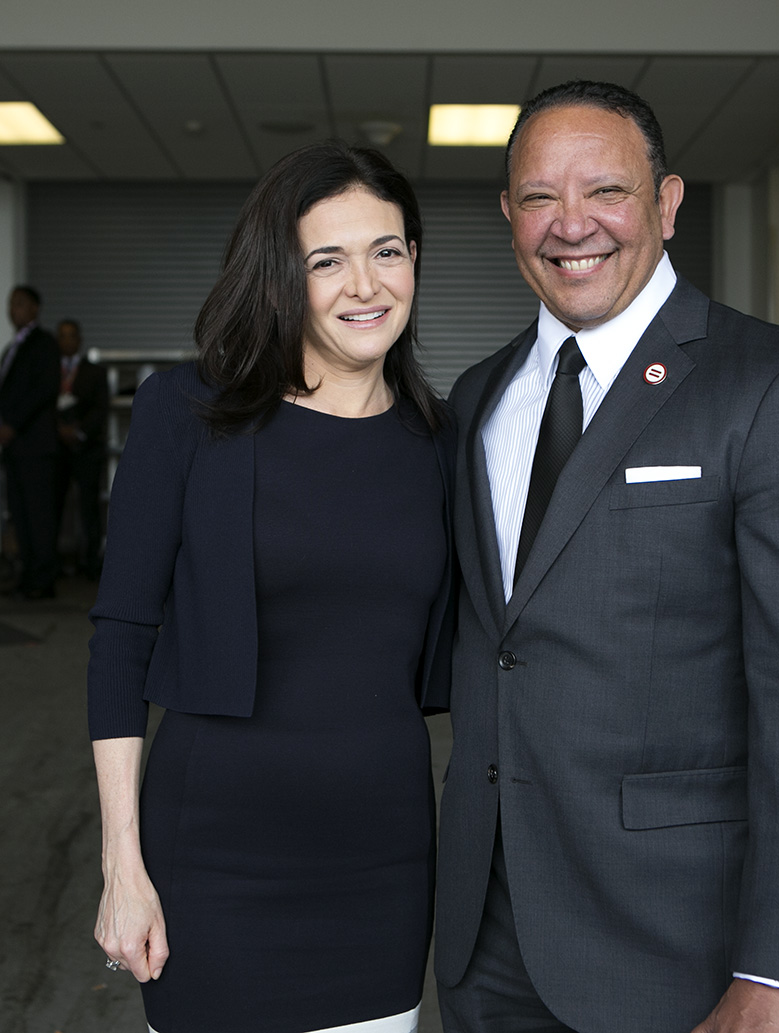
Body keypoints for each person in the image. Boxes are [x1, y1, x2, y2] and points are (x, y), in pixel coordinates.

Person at [434, 80, 779, 1033]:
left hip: (680, 949)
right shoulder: (476, 399)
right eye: (538, 198)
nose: (572, 226)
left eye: (606, 191)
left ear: (668, 203)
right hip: (486, 941)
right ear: (508, 216)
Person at [88, 139, 453, 1033]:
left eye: (387, 250)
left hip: (383, 868)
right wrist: (122, 868)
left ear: (414, 261)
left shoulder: (445, 443)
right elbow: (121, 635)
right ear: (280, 276)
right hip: (212, 861)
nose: (364, 285)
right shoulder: (187, 413)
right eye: (326, 260)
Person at [0, 285, 61, 599]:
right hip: (14, 448)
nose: (14, 310)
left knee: (39, 513)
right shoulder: (12, 348)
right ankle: (28, 575)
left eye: (20, 304)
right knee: (20, 513)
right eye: (11, 305)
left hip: (36, 445)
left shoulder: (44, 344)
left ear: (35, 308)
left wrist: (12, 424)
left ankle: (43, 578)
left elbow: (44, 390)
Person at [54, 319, 109, 580]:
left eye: (71, 336)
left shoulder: (94, 372)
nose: (66, 341)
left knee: (89, 509)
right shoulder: (49, 371)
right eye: (61, 336)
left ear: (79, 339)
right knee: (54, 508)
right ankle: (56, 562)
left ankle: (91, 564)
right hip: (56, 450)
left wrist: (79, 431)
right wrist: (59, 430)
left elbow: (101, 408)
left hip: (86, 448)